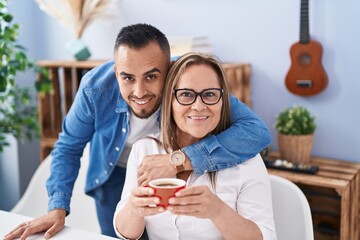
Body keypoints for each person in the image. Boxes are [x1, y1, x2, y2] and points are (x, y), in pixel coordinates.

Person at [4, 24, 271, 240]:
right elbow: (68, 147)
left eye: (152, 77)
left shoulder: (189, 80)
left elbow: (255, 131)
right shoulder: (94, 88)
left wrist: (178, 160)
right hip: (113, 172)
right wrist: (56, 209)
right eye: (128, 78)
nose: (140, 92)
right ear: (116, 71)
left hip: (172, 160)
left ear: (169, 71)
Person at [114, 52, 276, 240]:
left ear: (223, 101)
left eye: (209, 94)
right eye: (185, 94)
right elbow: (125, 232)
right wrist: (135, 208)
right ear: (169, 101)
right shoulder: (144, 149)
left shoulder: (247, 160)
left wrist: (218, 211)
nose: (199, 106)